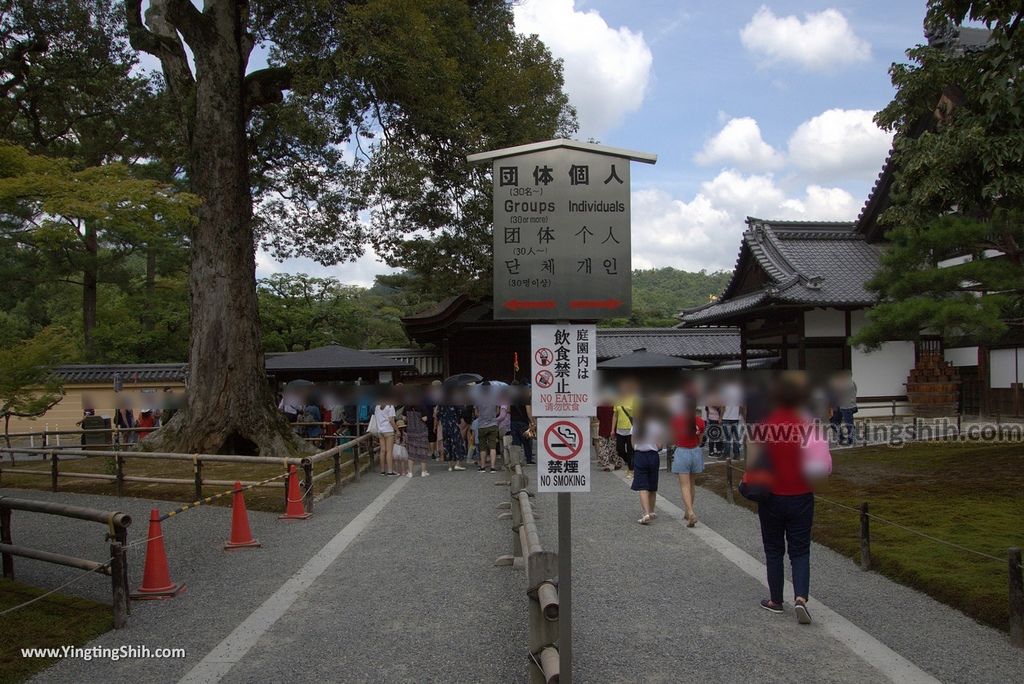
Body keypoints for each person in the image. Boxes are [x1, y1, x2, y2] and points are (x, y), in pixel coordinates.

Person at [756, 374, 815, 624]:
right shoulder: (808, 425)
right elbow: (820, 463)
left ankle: (776, 600)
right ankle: (800, 597)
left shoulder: (764, 425)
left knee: (774, 549)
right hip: (801, 493)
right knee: (800, 550)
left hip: (771, 495)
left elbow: (755, 463)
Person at [630, 397, 667, 525]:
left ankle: (645, 513)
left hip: (640, 455)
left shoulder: (637, 424)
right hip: (653, 455)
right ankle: (651, 511)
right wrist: (656, 446)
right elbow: (661, 444)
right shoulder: (657, 424)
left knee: (642, 486)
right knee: (652, 485)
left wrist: (637, 447)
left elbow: (633, 442)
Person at [671, 399, 706, 527]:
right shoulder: (700, 421)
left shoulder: (677, 420)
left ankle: (690, 512)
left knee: (684, 485)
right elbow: (701, 439)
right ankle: (688, 510)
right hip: (695, 452)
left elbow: (674, 437)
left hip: (682, 451)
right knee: (692, 484)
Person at [612, 381, 638, 477]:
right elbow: (615, 415)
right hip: (620, 429)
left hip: (631, 428)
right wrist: (612, 429)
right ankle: (632, 463)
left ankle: (631, 470)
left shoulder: (634, 399)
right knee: (620, 449)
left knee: (631, 450)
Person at [474, 382, 500, 473]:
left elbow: (476, 413)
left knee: (483, 447)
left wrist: (481, 415)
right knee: (493, 447)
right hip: (493, 424)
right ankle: (493, 467)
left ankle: (482, 467)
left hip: (482, 425)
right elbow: (497, 411)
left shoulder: (478, 399)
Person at [508, 382, 533, 465]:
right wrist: (532, 422)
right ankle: (528, 460)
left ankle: (517, 461)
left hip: (513, 422)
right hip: (523, 423)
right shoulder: (526, 398)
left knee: (516, 442)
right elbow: (528, 412)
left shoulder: (512, 398)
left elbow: (508, 410)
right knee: (527, 442)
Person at [438, 403, 467, 471]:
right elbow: (461, 411)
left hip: (445, 427)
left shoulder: (441, 404)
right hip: (453, 426)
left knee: (447, 445)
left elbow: (438, 415)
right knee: (457, 443)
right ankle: (457, 464)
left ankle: (450, 466)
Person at [720, 379, 744, 459]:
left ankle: (726, 455)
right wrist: (740, 415)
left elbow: (723, 406)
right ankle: (737, 455)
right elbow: (741, 406)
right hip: (735, 418)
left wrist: (720, 417)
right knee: (735, 437)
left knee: (727, 437)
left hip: (726, 417)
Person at [405, 405, 431, 477]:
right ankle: (423, 472)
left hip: (411, 432)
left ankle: (410, 472)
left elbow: (404, 418)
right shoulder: (422, 406)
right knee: (423, 451)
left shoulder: (407, 406)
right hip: (421, 432)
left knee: (411, 452)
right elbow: (425, 419)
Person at [373, 400, 398, 475]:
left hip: (380, 431)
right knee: (389, 451)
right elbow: (391, 420)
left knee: (382, 450)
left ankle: (382, 470)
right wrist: (397, 430)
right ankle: (390, 471)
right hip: (388, 430)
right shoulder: (390, 406)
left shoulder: (377, 406)